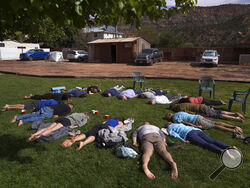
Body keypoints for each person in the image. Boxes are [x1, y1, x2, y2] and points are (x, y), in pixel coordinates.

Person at [164, 122, 231, 154]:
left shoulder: (169, 128)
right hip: (196, 130)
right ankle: (229, 147)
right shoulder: (179, 124)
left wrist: (183, 140)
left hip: (190, 134)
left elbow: (175, 135)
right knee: (212, 141)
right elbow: (189, 126)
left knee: (205, 144)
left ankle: (221, 151)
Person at [61, 117, 125, 150]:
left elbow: (103, 122)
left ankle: (74, 139)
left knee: (87, 134)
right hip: (106, 128)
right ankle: (83, 143)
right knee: (94, 136)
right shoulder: (120, 122)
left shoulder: (111, 119)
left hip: (100, 125)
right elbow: (117, 127)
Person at [165, 112, 243, 134]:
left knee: (214, 126)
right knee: (216, 122)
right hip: (197, 116)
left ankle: (233, 131)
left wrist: (195, 126)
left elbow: (185, 123)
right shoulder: (178, 113)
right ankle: (234, 126)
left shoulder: (174, 118)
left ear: (169, 117)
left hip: (197, 121)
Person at [170, 103, 244, 122]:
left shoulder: (179, 108)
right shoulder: (182, 104)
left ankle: (236, 118)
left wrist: (195, 114)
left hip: (202, 109)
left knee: (218, 115)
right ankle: (234, 113)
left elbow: (188, 112)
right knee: (217, 111)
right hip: (202, 105)